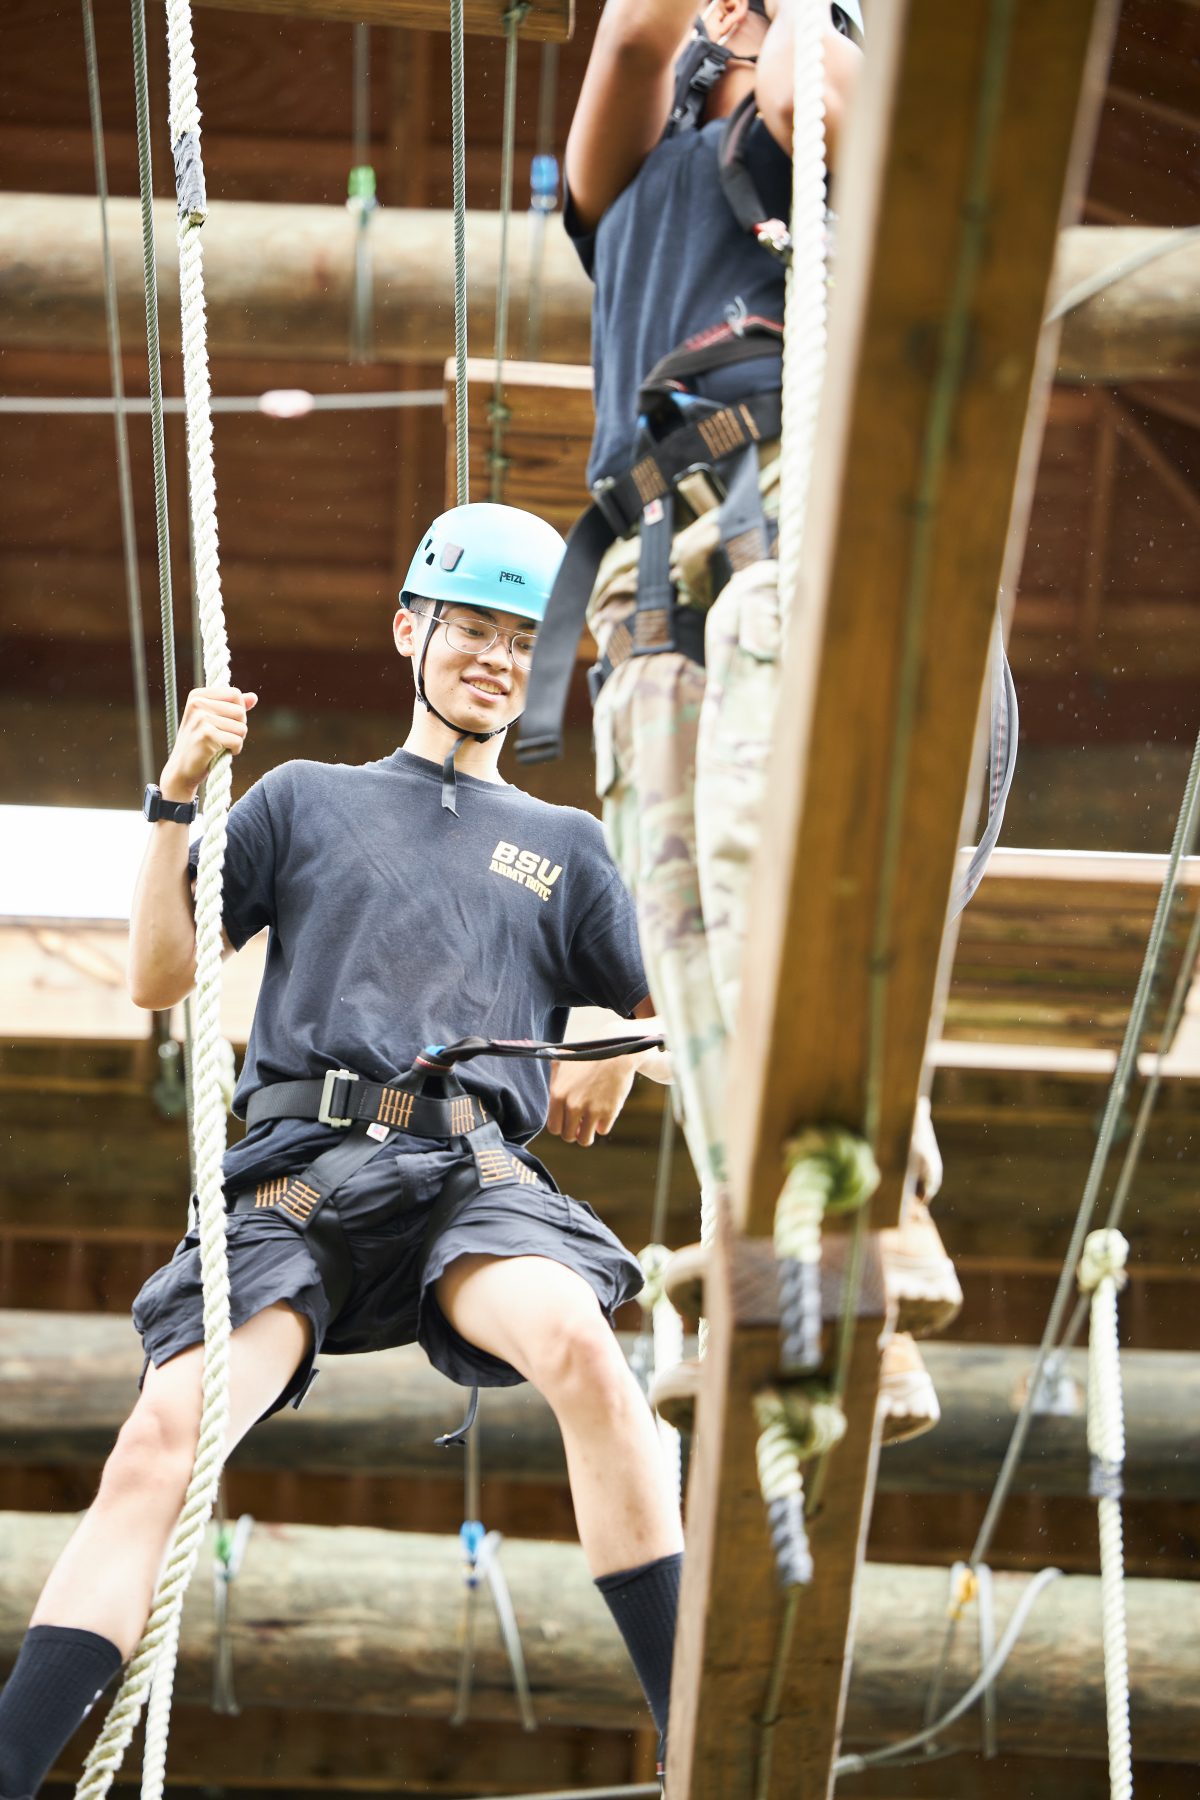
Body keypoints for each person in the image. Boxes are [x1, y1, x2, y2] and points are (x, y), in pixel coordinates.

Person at [0, 503, 684, 1799]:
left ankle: (700, 1734)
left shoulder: (567, 847)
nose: (492, 658)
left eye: (519, 642)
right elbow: (158, 975)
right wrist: (177, 795)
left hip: (471, 1185)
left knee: (591, 1355)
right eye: (469, 628)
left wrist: (615, 1048)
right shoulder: (305, 802)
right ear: (407, 631)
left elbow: (680, 1006)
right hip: (304, 1176)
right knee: (160, 1437)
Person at [520, 0, 960, 1440]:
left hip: (787, 515)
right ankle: (770, 1253)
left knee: (774, 860)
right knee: (683, 929)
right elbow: (637, 33)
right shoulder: (636, 167)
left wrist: (805, 22)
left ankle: (868, 1214)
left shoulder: (820, 104)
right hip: (651, 569)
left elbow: (816, 107)